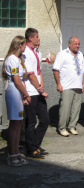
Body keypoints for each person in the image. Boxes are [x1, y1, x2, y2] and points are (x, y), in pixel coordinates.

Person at [2, 35, 31, 166]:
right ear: (20, 45)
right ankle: (12, 153)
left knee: (19, 123)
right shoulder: (12, 59)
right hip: (14, 92)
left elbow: (21, 79)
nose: (25, 47)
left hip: (19, 92)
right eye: (24, 44)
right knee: (14, 124)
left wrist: (24, 95)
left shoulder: (18, 60)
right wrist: (27, 94)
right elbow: (17, 80)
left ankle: (16, 152)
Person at [23, 28, 50, 159]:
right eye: (37, 37)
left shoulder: (37, 52)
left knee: (45, 120)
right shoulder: (26, 52)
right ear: (31, 38)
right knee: (31, 122)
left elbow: (39, 71)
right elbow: (30, 73)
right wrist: (38, 88)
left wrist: (42, 87)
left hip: (38, 91)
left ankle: (35, 145)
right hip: (30, 91)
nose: (39, 38)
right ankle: (30, 149)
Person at [53, 36, 84, 137]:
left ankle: (72, 126)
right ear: (69, 44)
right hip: (66, 86)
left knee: (76, 108)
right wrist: (58, 83)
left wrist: (83, 83)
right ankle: (62, 128)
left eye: (79, 44)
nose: (77, 46)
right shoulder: (62, 54)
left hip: (78, 86)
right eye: (75, 44)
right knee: (65, 108)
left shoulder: (80, 55)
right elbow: (55, 69)